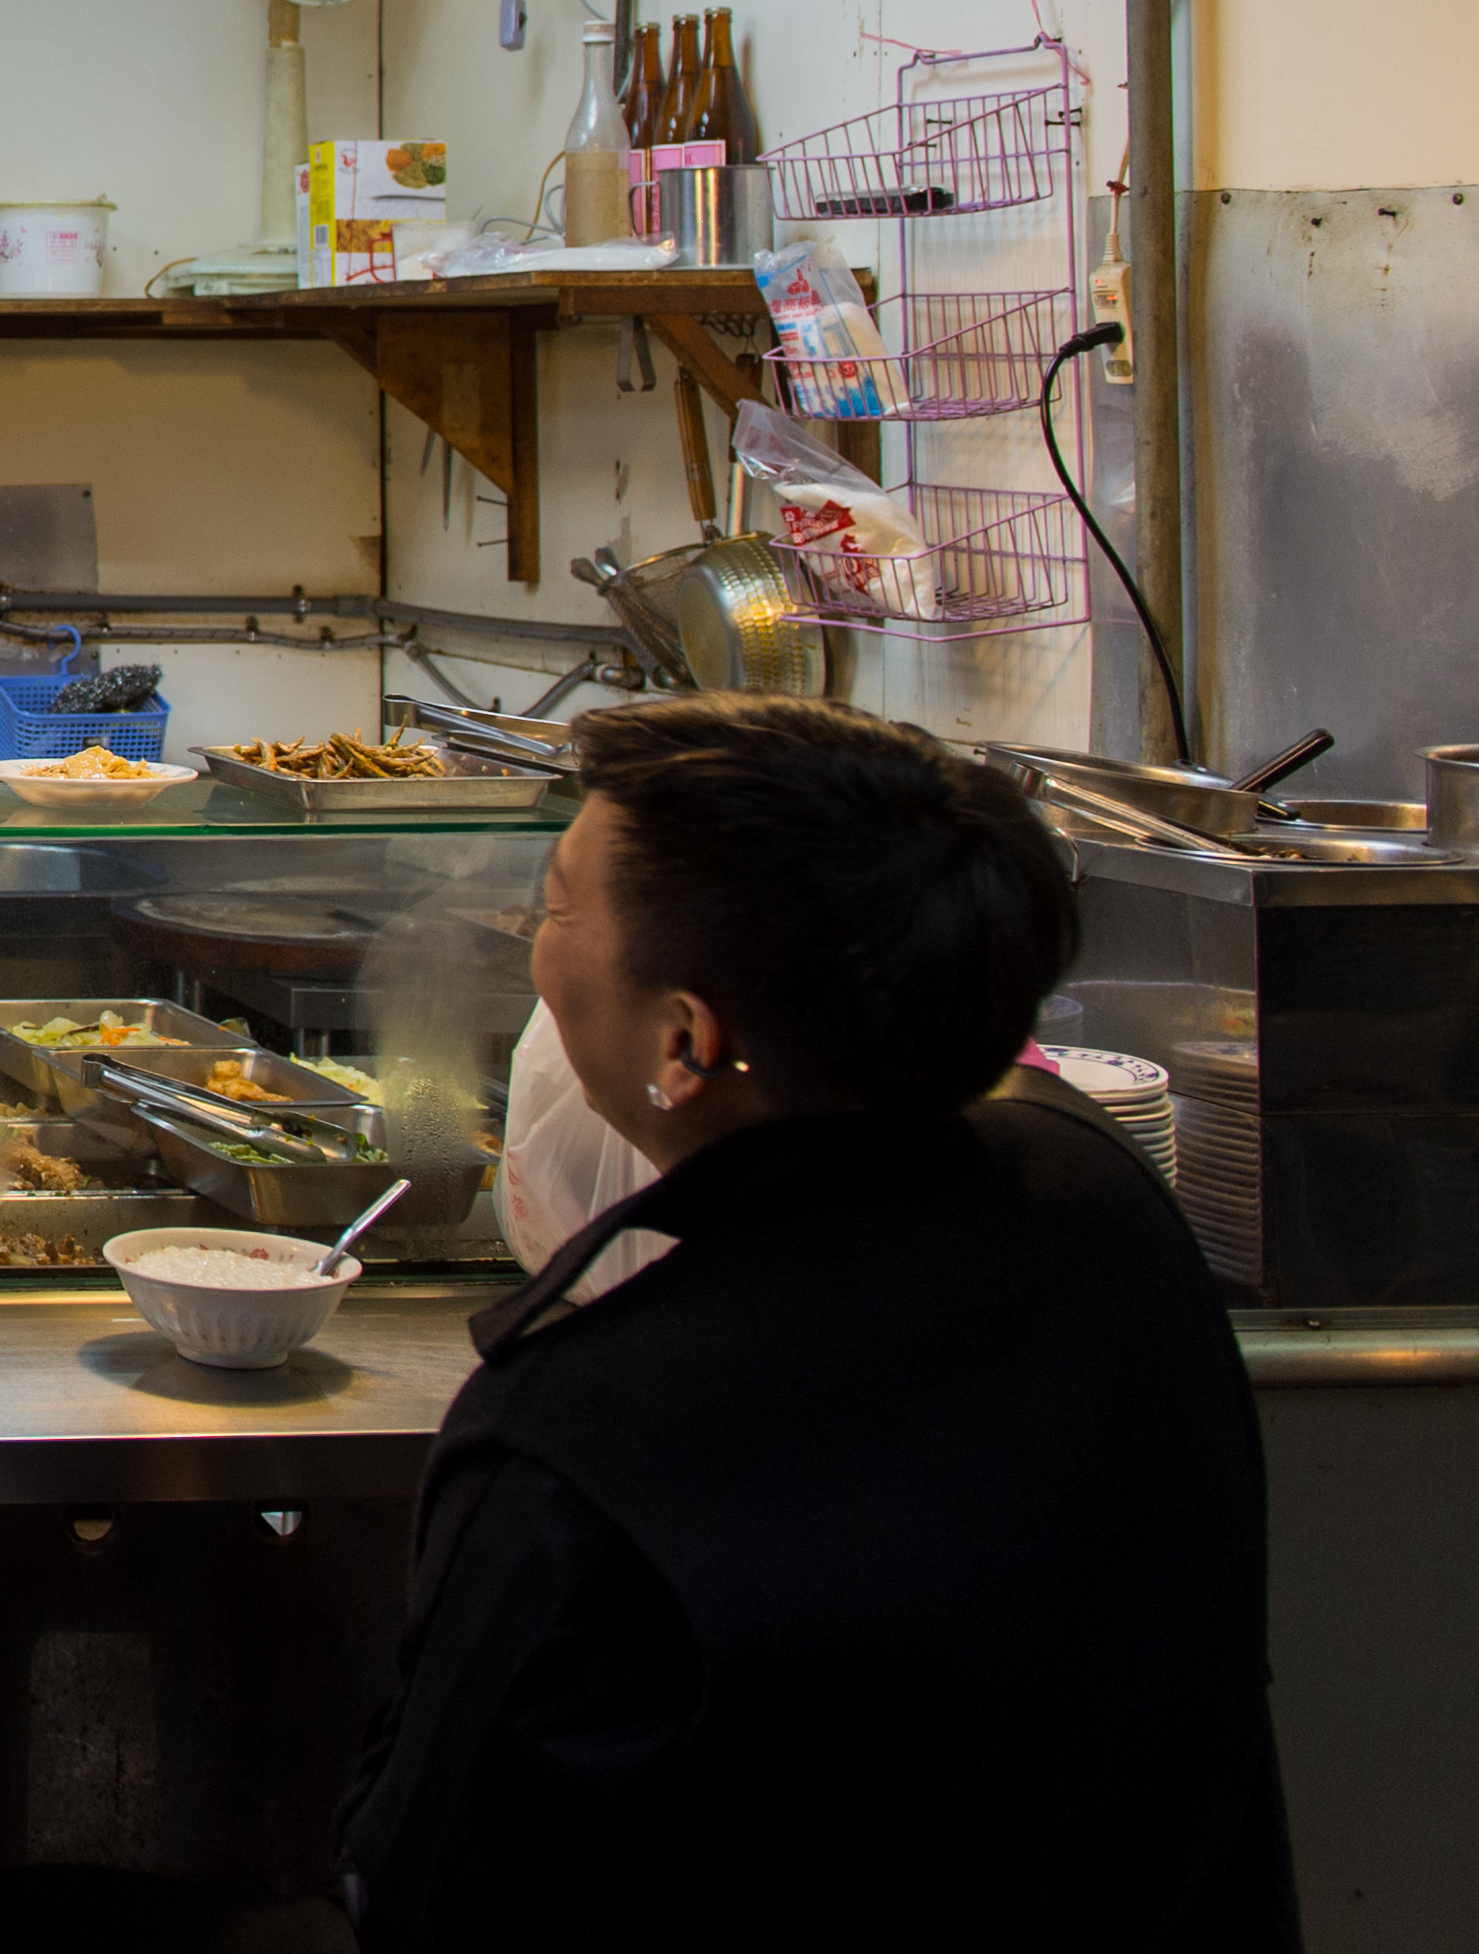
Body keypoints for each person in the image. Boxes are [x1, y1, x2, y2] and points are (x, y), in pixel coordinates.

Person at [341, 694, 1293, 1950]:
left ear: (683, 1038)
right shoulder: (1102, 1207)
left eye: (556, 907)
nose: (533, 940)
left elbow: (428, 1895)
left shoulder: (588, 1430)